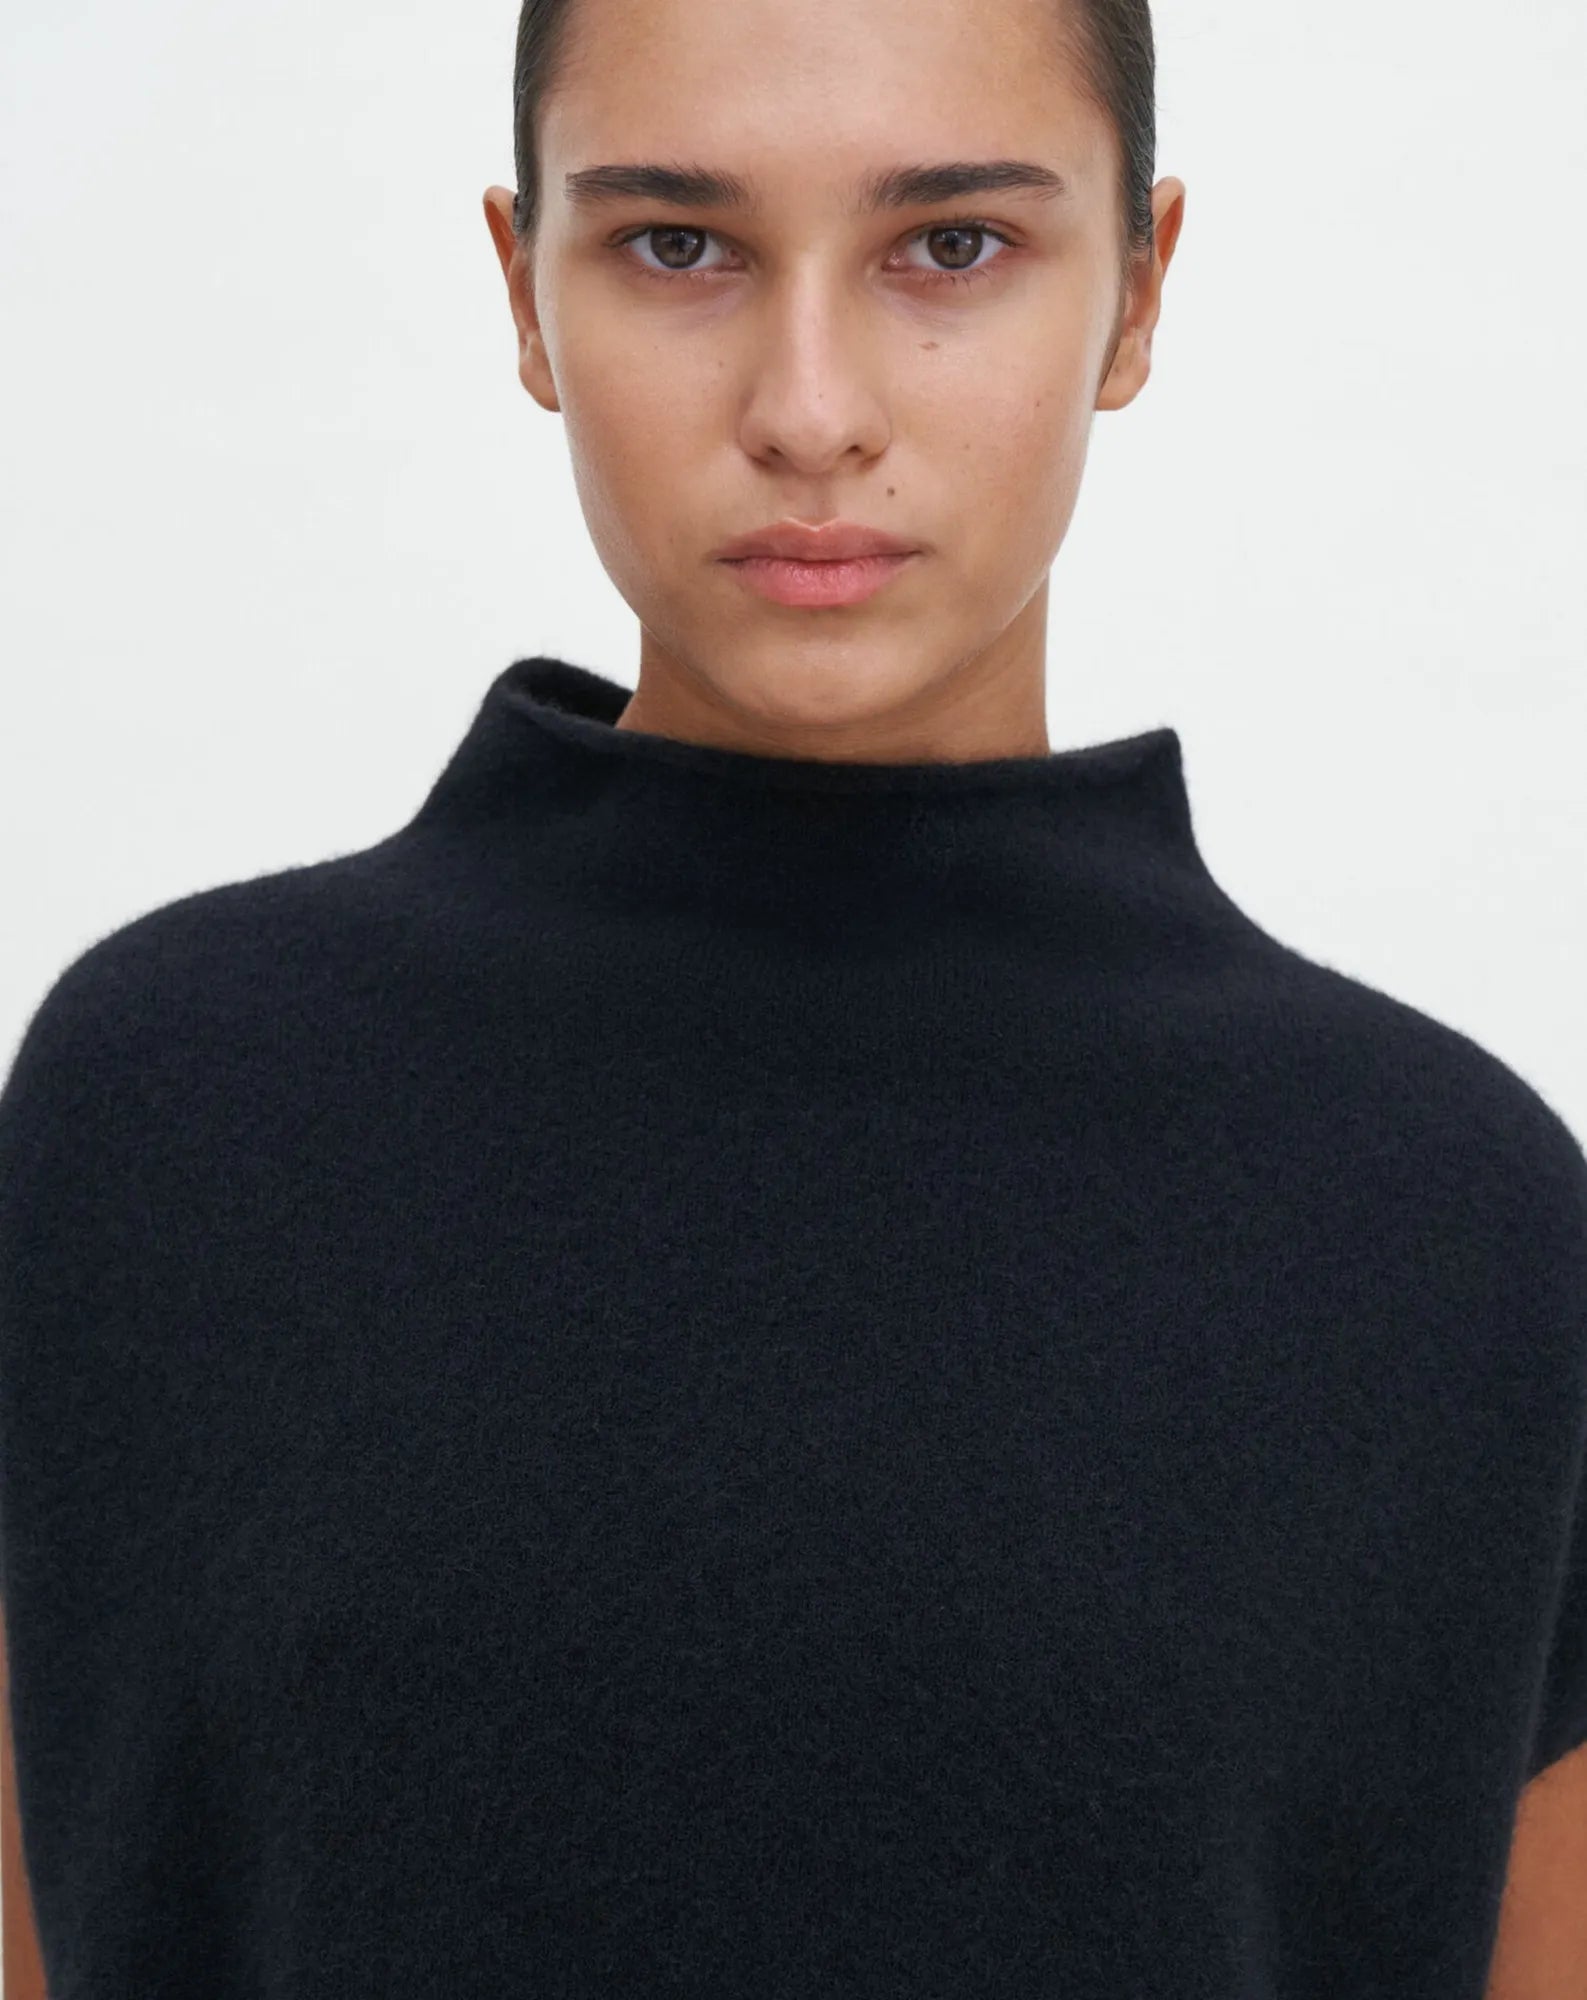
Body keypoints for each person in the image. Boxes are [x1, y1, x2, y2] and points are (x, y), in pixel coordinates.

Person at [3, 0, 1585, 1993]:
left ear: (1136, 288)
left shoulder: (1453, 1230)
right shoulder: (164, 1118)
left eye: (950, 245)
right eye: (678, 244)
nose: (811, 410)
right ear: (523, 289)